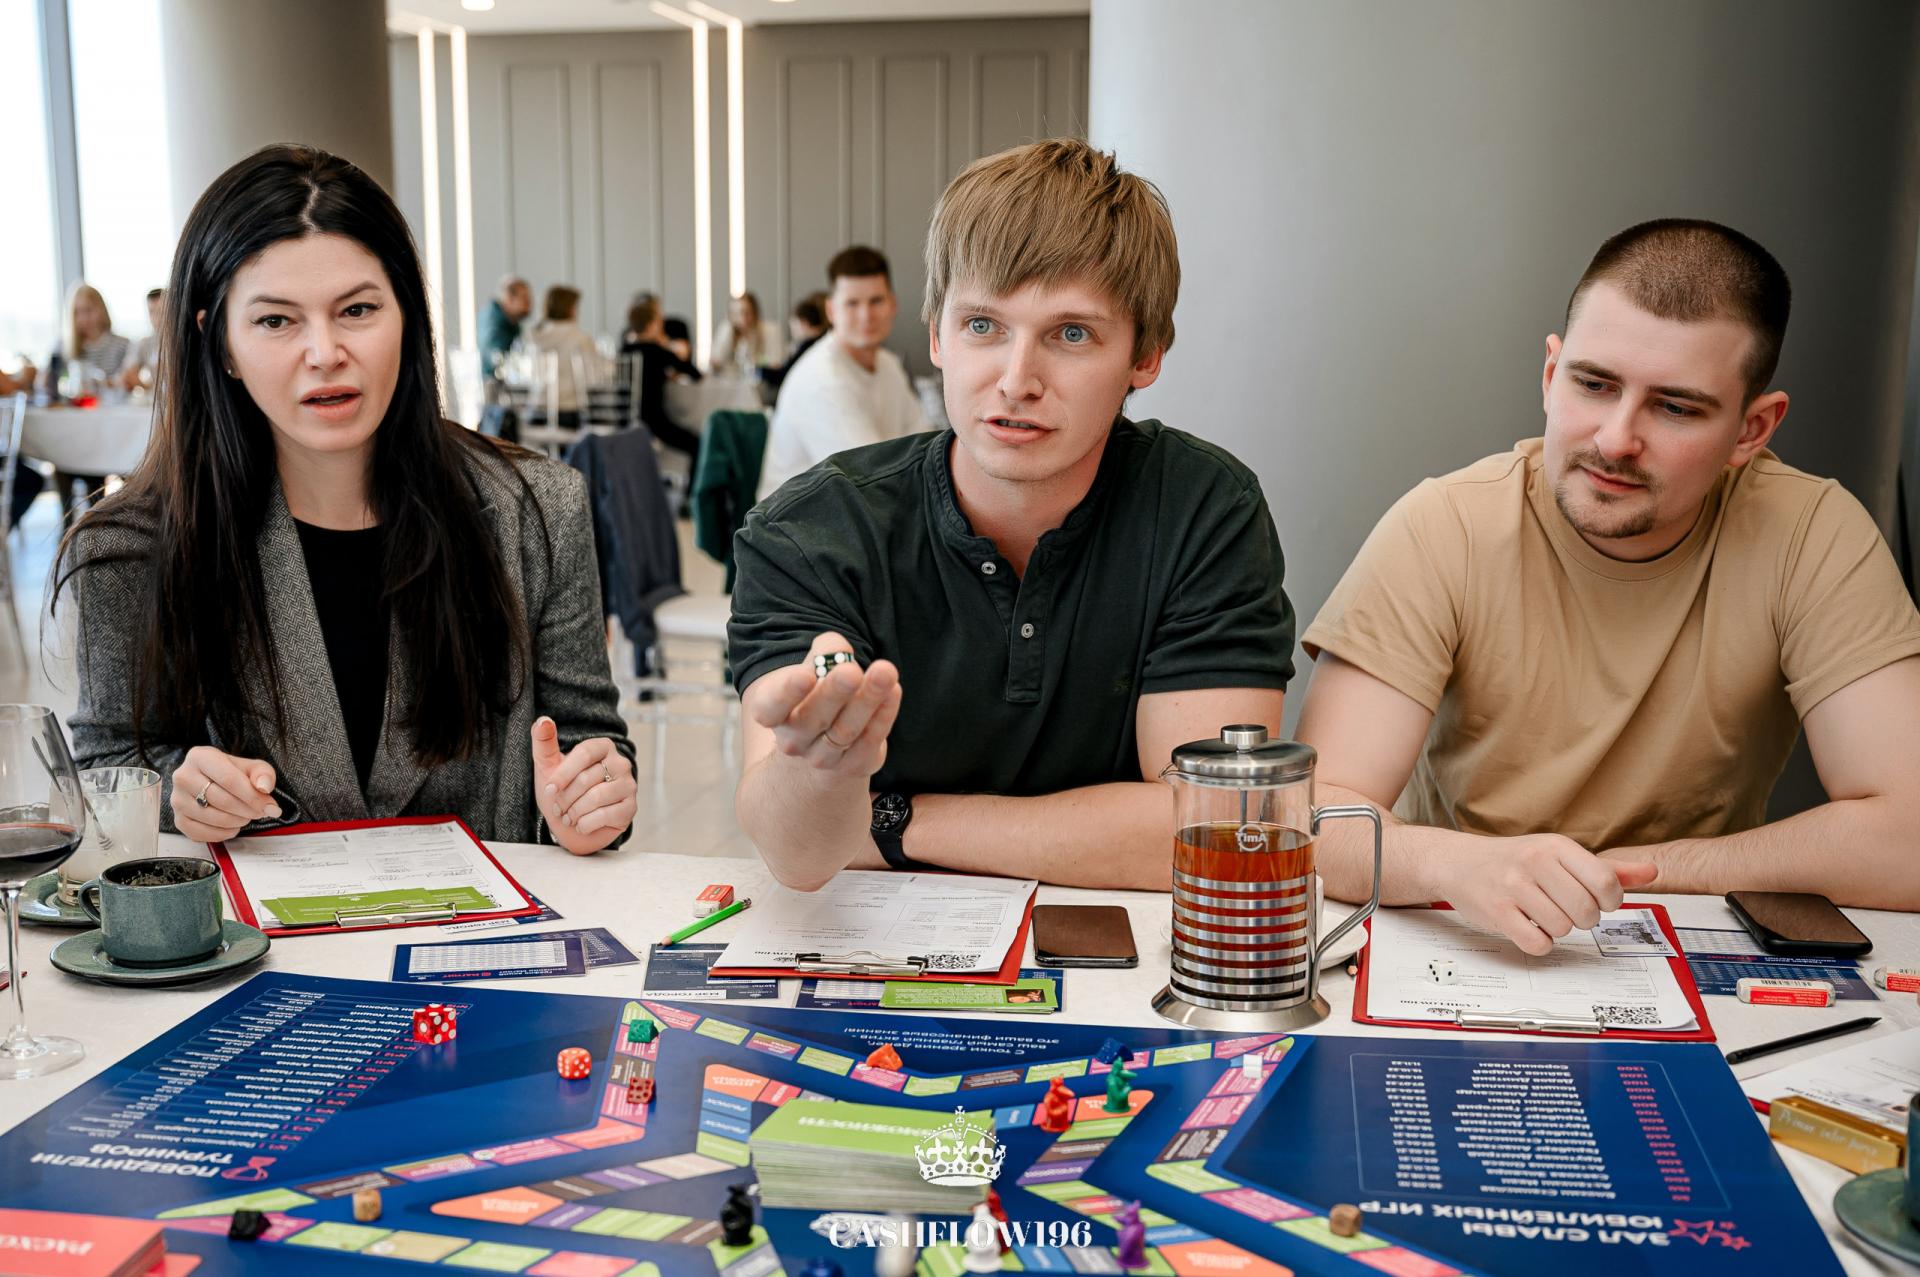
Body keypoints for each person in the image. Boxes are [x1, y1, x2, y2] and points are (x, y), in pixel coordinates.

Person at [1297, 219, 1920, 952]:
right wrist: (1462, 865)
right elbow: (1311, 821)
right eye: (1593, 384)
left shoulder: (1812, 532)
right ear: (1550, 375)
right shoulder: (1445, 524)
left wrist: (1645, 873)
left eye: (1676, 407)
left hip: (1692, 941)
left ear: (1753, 430)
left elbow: (1907, 837)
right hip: (1462, 932)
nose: (1616, 439)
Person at [729, 140, 1295, 891]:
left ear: (1146, 355)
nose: (1016, 381)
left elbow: (1212, 829)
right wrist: (820, 771)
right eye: (982, 326)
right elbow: (798, 858)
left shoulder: (1204, 510)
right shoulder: (810, 532)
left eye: (1071, 334)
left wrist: (893, 820)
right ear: (937, 334)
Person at [56, 143, 637, 852]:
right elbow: (109, 766)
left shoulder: (537, 509)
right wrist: (181, 796)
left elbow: (589, 743)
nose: (325, 352)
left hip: (483, 925)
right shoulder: (133, 546)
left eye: (357, 309)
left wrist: (592, 799)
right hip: (245, 925)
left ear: (407, 316)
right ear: (221, 342)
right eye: (276, 321)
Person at [756, 247, 931, 498]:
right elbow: (871, 481)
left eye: (876, 301)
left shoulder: (888, 364)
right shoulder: (823, 380)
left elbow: (923, 441)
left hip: (861, 508)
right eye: (852, 303)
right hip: (804, 518)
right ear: (831, 311)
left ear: (892, 304)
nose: (866, 315)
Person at [46, 282, 127, 516]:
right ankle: (67, 524)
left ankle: (96, 521)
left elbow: (122, 387)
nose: (84, 318)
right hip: (74, 433)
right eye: (77, 312)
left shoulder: (121, 346)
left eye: (89, 310)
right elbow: (50, 385)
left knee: (95, 466)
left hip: (108, 433)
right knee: (60, 457)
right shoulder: (64, 347)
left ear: (101, 309)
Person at [618, 295, 703, 460]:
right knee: (698, 444)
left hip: (625, 422)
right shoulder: (658, 351)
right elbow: (695, 374)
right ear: (652, 325)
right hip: (654, 422)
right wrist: (665, 345)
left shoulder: (623, 351)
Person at [525, 285, 603, 428]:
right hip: (569, 412)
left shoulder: (533, 337)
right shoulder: (581, 338)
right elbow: (594, 378)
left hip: (535, 412)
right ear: (570, 309)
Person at [763, 292, 828, 402]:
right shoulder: (823, 341)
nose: (792, 331)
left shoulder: (809, 347)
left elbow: (783, 376)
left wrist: (759, 370)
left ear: (804, 323)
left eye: (793, 325)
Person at [709, 291, 784, 375]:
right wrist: (727, 334)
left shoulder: (770, 330)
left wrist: (755, 362)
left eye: (747, 312)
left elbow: (776, 363)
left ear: (755, 312)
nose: (742, 318)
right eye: (735, 314)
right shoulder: (727, 330)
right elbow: (715, 361)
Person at [117, 289, 167, 393]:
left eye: (162, 311)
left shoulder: (184, 342)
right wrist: (147, 387)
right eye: (152, 312)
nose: (157, 318)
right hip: (155, 399)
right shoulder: (145, 344)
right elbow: (127, 376)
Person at [481, 275, 532, 374]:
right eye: (524, 298)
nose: (529, 303)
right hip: (495, 381)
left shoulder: (511, 321)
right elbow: (497, 359)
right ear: (509, 299)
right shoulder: (494, 323)